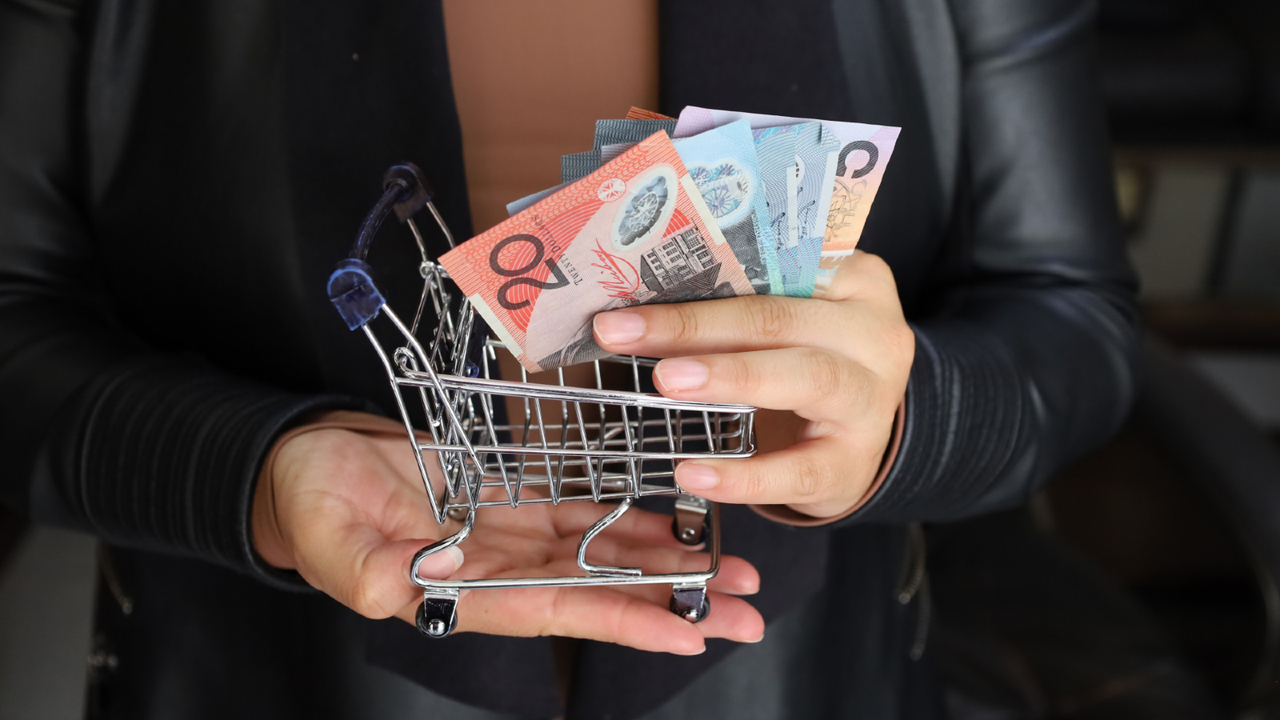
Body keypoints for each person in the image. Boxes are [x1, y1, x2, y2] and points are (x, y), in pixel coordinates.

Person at [0, 0, 1139, 718]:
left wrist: (904, 424)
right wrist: (249, 474)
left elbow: (1068, 317)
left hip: (789, 676)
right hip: (270, 674)